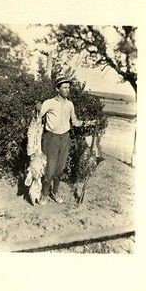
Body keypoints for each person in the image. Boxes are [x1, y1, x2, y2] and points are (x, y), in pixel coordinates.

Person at [36, 75, 94, 205]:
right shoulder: (49, 103)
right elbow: (38, 115)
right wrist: (37, 105)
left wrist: (90, 122)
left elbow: (75, 122)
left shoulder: (70, 104)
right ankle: (44, 195)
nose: (67, 90)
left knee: (60, 168)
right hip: (51, 138)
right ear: (57, 89)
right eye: (64, 87)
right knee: (50, 169)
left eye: (69, 87)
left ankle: (55, 193)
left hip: (65, 138)